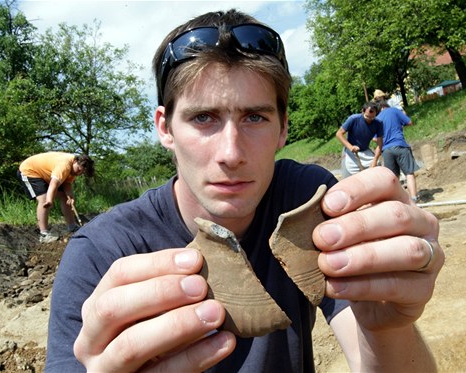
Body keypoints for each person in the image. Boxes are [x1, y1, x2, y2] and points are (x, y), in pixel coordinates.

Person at [45, 9, 443, 372]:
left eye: (254, 116)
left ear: (283, 127)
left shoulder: (303, 199)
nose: (231, 153)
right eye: (203, 117)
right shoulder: (100, 256)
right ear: (165, 128)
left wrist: (387, 327)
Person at [17, 152, 94, 243]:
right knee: (44, 198)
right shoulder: (64, 165)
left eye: (81, 173)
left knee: (65, 197)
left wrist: (70, 196)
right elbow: (54, 184)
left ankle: (72, 227)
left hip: (44, 174)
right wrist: (49, 200)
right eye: (78, 170)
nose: (78, 173)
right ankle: (44, 234)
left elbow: (67, 183)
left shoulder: (73, 170)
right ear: (75, 162)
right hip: (29, 171)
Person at [377, 100, 420, 203]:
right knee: (409, 173)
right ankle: (413, 198)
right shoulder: (395, 111)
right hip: (400, 145)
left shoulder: (377, 119)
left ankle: (398, 200)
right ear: (386, 105)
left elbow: (375, 139)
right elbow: (409, 122)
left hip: (386, 150)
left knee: (394, 177)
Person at [336, 102, 384, 178]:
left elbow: (380, 143)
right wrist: (351, 147)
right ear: (362, 111)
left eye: (372, 117)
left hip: (365, 150)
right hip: (351, 151)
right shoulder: (353, 119)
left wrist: (375, 160)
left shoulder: (378, 123)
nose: (369, 119)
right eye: (367, 116)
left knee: (377, 168)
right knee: (349, 175)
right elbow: (339, 134)